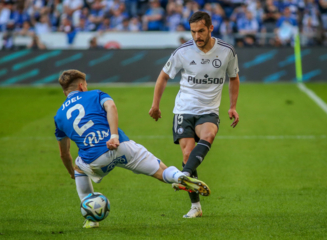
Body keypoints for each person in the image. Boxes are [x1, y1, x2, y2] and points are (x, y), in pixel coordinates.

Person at [54, 69, 210, 229]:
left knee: (79, 168)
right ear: (81, 85)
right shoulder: (95, 94)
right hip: (121, 146)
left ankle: (91, 219)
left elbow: (64, 154)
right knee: (161, 171)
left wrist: (71, 172)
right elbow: (111, 106)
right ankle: (178, 176)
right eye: (85, 84)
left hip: (94, 160)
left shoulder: (59, 116)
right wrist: (113, 135)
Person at [149, 11, 240, 218]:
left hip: (209, 110)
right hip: (184, 109)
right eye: (193, 32)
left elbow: (234, 78)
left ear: (210, 28)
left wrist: (232, 106)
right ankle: (195, 207)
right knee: (188, 155)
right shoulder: (183, 51)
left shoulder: (227, 51)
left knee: (209, 135)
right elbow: (163, 76)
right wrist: (155, 105)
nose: (197, 36)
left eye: (200, 31)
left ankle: (184, 176)